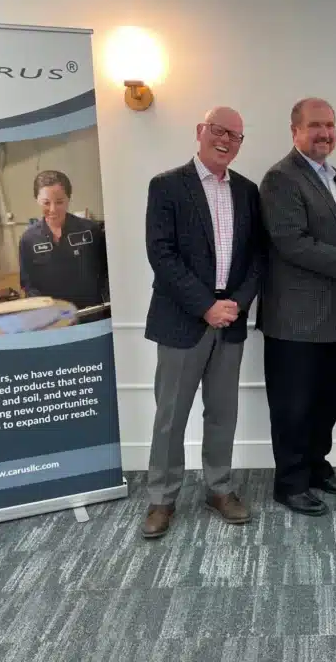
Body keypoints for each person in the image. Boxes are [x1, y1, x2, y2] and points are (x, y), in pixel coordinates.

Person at [140, 106, 264, 538]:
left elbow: (256, 259)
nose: (226, 139)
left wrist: (235, 304)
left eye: (235, 135)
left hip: (229, 322)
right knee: (170, 417)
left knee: (222, 413)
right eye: (218, 130)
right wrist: (205, 306)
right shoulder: (167, 186)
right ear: (200, 131)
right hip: (181, 322)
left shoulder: (248, 191)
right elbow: (162, 255)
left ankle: (219, 488)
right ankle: (162, 498)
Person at [257, 97, 336, 517]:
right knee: (293, 406)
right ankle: (289, 483)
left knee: (327, 401)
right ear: (294, 130)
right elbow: (291, 241)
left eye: (330, 124)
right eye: (315, 125)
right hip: (295, 320)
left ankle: (315, 467)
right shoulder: (280, 178)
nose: (324, 133)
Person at [18, 170, 110, 318]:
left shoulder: (90, 231)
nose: (53, 209)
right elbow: (28, 284)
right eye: (46, 203)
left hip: (93, 315)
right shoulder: (28, 240)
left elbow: (106, 273)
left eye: (59, 202)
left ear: (69, 198)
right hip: (54, 321)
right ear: (37, 200)